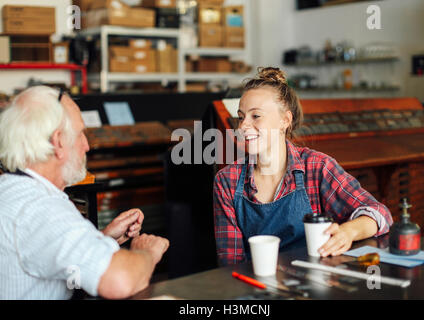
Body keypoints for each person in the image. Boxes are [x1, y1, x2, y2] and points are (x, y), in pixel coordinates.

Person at [0, 86, 169, 299]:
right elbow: (121, 280)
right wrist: (146, 252)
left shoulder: (11, 191)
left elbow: (47, 252)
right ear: (58, 141)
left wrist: (102, 239)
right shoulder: (40, 207)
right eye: (81, 134)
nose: (87, 146)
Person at [213, 67, 393, 266]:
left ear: (285, 120)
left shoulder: (317, 167)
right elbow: (230, 262)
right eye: (241, 117)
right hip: (255, 287)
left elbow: (378, 213)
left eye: (255, 116)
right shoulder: (227, 180)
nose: (243, 126)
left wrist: (347, 231)